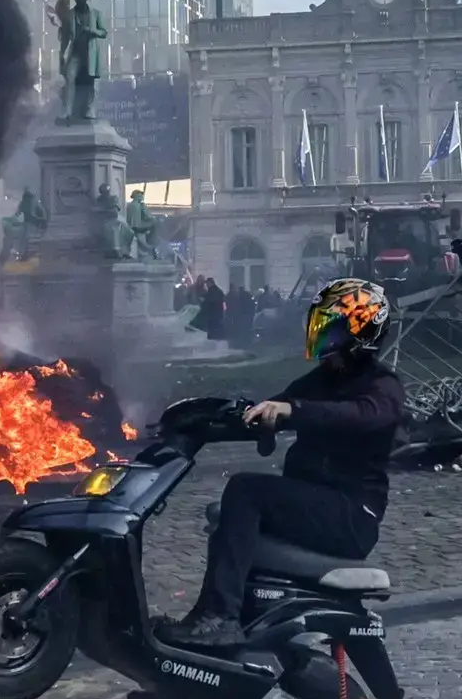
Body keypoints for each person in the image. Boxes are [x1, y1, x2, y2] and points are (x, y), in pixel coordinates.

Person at [156, 278, 406, 650]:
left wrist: (295, 411)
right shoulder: (320, 381)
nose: (325, 341)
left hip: (351, 514)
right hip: (317, 500)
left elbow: (359, 415)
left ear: (360, 335)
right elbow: (271, 407)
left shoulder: (383, 387)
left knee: (246, 490)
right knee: (224, 514)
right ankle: (231, 617)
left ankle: (221, 617)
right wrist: (204, 420)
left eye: (333, 331)